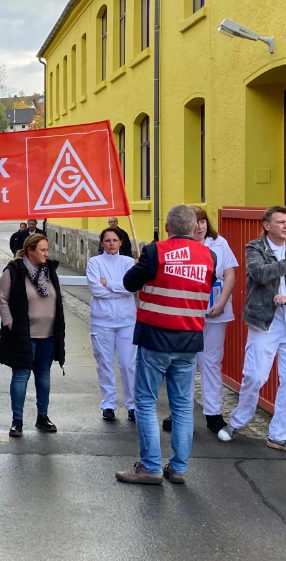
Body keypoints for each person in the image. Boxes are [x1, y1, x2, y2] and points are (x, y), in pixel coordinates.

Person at [115, 205, 215, 486]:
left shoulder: (154, 251)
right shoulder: (210, 255)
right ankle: (178, 468)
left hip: (156, 338)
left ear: (168, 226)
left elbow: (128, 283)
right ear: (195, 226)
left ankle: (150, 467)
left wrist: (141, 264)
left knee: (146, 402)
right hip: (190, 339)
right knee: (183, 406)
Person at [218, 206, 286, 453]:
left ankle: (280, 435)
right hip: (264, 323)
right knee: (254, 376)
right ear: (267, 225)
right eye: (280, 222)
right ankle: (238, 421)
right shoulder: (255, 248)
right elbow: (259, 274)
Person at [168, 207, 237, 433]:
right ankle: (179, 411)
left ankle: (213, 412)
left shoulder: (220, 243)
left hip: (215, 308)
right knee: (183, 362)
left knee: (211, 361)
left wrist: (222, 303)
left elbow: (229, 275)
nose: (200, 226)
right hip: (187, 311)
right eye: (195, 222)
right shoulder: (179, 245)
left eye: (203, 221)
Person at [0, 233, 65, 438]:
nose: (47, 253)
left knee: (43, 376)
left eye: (47, 249)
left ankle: (42, 417)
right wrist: (10, 323)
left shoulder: (50, 271)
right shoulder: (15, 271)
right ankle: (17, 421)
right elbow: (2, 299)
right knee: (21, 377)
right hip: (23, 334)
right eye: (43, 250)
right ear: (30, 251)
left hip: (48, 335)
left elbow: (59, 296)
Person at [85, 227, 137, 422]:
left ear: (121, 242)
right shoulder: (94, 263)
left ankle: (132, 405)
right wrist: (120, 288)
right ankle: (109, 403)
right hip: (102, 321)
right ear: (102, 243)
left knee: (128, 364)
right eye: (107, 240)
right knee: (105, 363)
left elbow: (132, 286)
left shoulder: (129, 262)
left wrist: (109, 284)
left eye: (115, 240)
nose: (111, 243)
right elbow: (95, 290)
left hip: (126, 321)